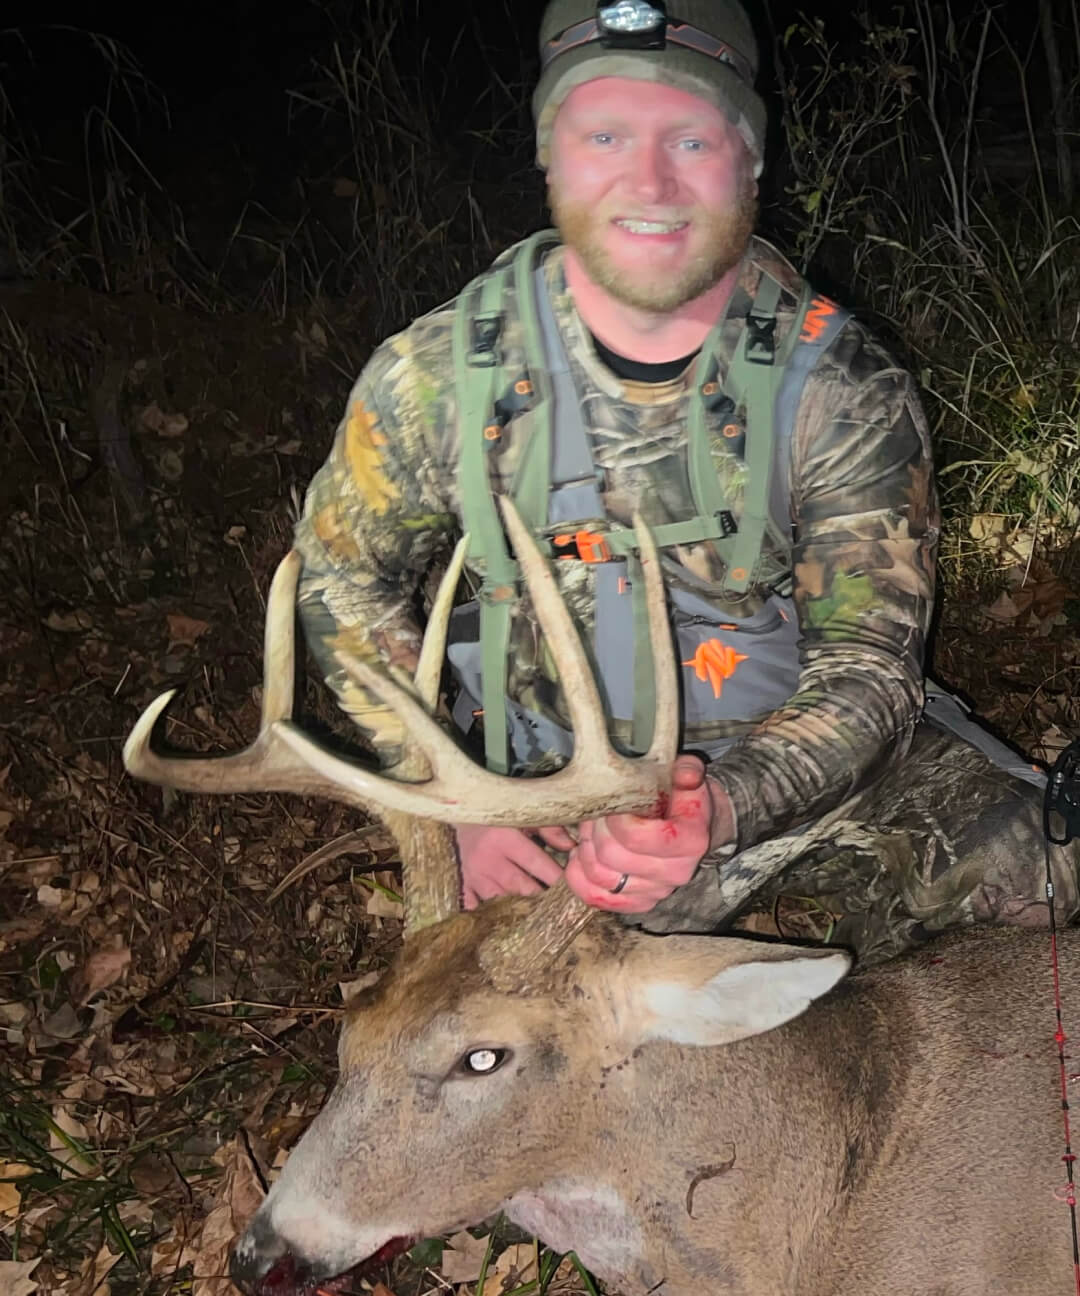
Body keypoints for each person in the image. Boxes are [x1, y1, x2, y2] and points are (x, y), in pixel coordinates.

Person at [292, 0, 1077, 965]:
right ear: (550, 158)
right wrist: (455, 802)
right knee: (546, 997)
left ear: (749, 160)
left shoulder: (840, 388)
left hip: (798, 765)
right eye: (605, 134)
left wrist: (723, 810)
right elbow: (340, 584)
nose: (650, 181)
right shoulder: (438, 377)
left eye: (692, 138)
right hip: (553, 784)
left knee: (1037, 868)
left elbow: (871, 669)